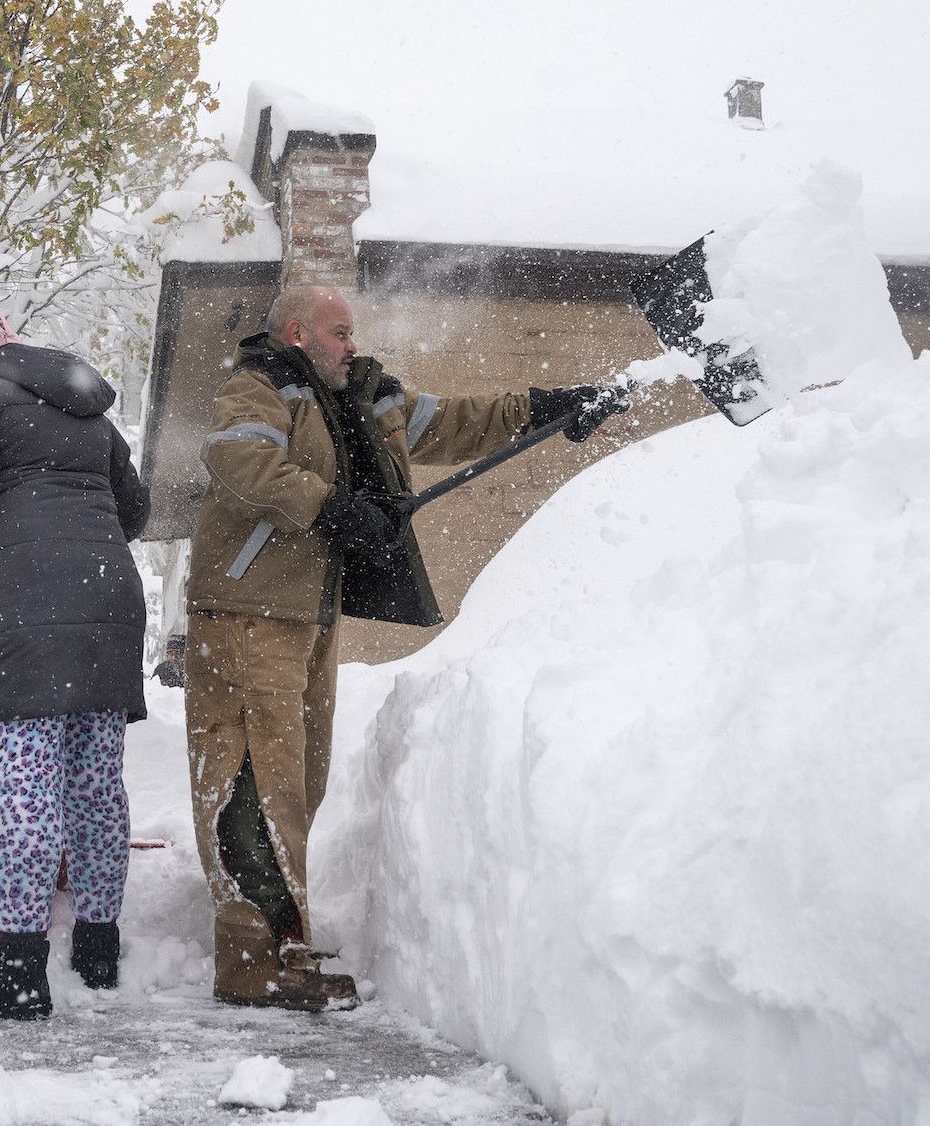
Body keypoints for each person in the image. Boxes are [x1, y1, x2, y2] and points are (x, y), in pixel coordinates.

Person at [184, 285, 627, 1011]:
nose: (352, 343)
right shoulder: (258, 387)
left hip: (306, 614)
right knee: (254, 780)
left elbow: (451, 423)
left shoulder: (364, 398)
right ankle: (255, 957)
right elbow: (240, 460)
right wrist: (330, 506)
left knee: (301, 780)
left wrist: (545, 407)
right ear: (298, 332)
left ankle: (283, 938)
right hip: (246, 611)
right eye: (339, 331)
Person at [0, 307, 150, 1020]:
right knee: (95, 784)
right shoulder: (89, 410)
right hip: (107, 600)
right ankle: (98, 949)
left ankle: (17, 971)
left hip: (24, 605)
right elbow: (131, 510)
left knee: (27, 791)